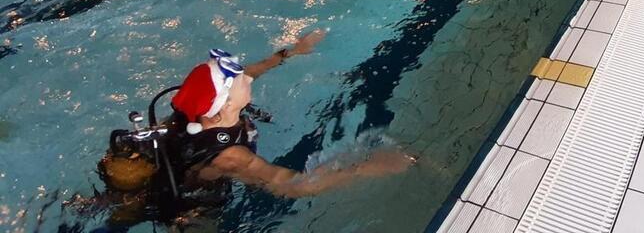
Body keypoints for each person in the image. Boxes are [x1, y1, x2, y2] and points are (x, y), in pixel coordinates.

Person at [90, 31, 412, 226]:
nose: (246, 77)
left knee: (112, 212)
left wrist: (290, 52)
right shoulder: (231, 157)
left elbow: (249, 72)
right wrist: (370, 168)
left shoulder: (197, 115)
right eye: (239, 80)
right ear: (225, 106)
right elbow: (295, 185)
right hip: (193, 207)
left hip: (165, 177)